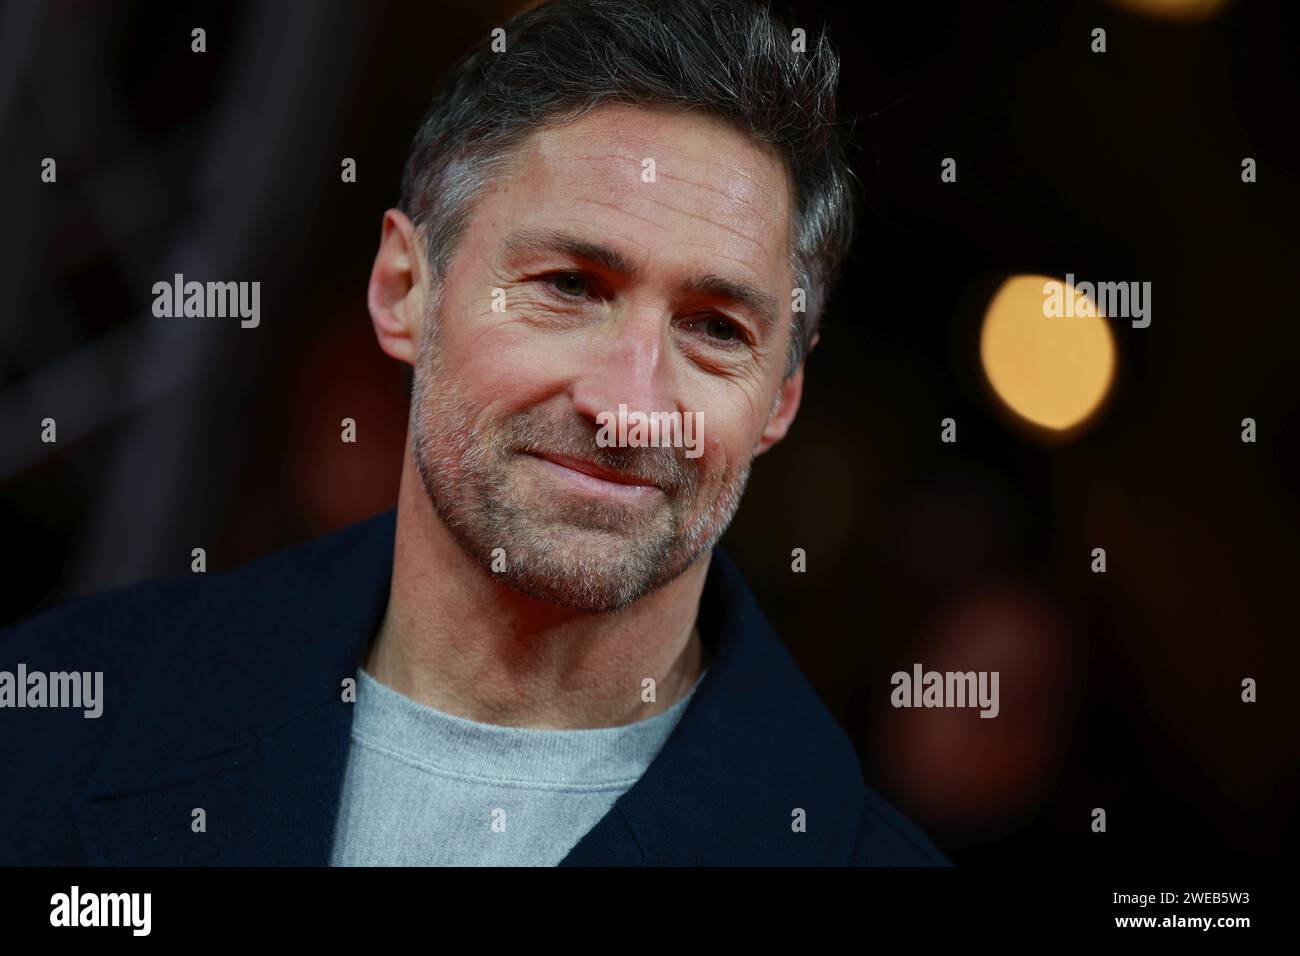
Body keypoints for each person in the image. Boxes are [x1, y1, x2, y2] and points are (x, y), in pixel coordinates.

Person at [0, 0, 949, 867]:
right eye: (570, 288)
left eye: (714, 330)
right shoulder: (50, 715)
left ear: (781, 397)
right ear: (405, 291)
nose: (628, 404)